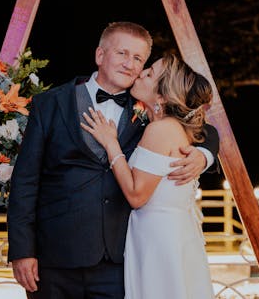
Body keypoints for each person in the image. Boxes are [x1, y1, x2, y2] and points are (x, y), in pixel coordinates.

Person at [7, 22, 219, 298]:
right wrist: (22, 250)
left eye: (138, 59)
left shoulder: (152, 111)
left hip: (122, 262)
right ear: (100, 56)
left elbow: (205, 130)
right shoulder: (50, 103)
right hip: (55, 259)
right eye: (122, 53)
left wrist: (204, 155)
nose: (130, 64)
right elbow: (25, 181)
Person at [81, 52, 215, 298]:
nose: (141, 73)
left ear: (162, 97)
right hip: (169, 234)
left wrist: (111, 145)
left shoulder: (160, 129)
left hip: (158, 241)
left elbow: (136, 195)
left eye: (150, 73)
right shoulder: (174, 128)